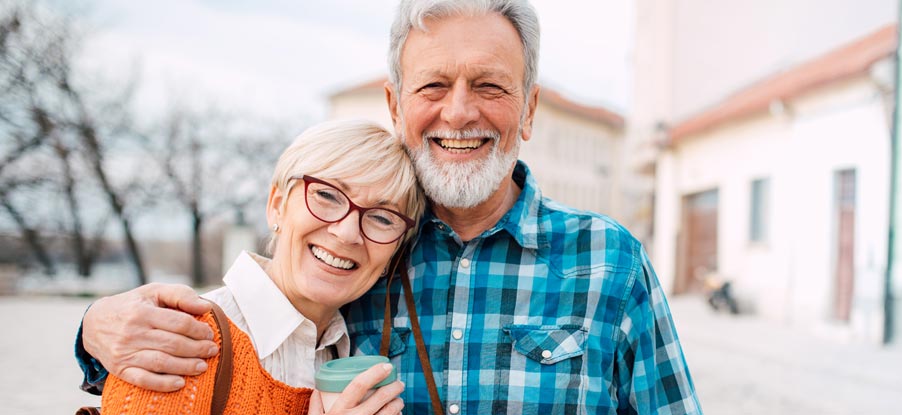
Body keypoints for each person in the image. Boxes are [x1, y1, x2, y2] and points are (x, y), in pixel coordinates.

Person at [75, 1, 702, 413]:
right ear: (396, 105)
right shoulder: (356, 259)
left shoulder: (610, 262)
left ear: (529, 109)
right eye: (433, 85)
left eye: (489, 85)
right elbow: (230, 353)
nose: (459, 112)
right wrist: (94, 333)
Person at [92, 120, 421, 415]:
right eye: (327, 195)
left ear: (393, 253)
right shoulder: (180, 339)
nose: (347, 232)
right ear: (277, 206)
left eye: (382, 218)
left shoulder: (344, 351)